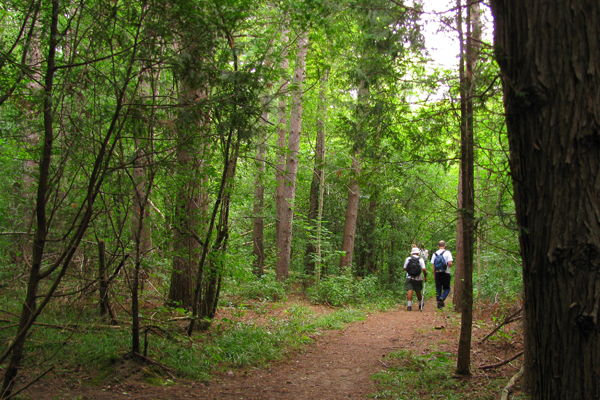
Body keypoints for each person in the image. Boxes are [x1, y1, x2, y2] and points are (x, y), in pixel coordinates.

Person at [430, 240, 453, 309]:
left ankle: (439, 306)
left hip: (437, 274)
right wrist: (447, 267)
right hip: (446, 273)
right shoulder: (448, 252)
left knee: (438, 289)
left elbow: (433, 266)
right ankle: (442, 297)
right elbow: (450, 264)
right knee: (447, 288)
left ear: (438, 246)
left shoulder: (435, 254)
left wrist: (434, 275)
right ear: (445, 246)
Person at [403, 247, 427, 311]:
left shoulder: (408, 259)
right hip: (418, 278)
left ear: (412, 253)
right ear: (418, 253)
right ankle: (420, 304)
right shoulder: (420, 259)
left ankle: (409, 306)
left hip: (409, 277)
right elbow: (424, 269)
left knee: (410, 290)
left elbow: (404, 268)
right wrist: (425, 276)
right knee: (418, 291)